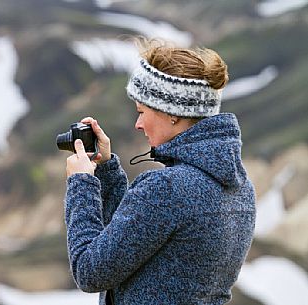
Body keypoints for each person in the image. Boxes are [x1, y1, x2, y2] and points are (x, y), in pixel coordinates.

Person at [63, 38, 256, 305]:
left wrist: (82, 183)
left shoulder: (166, 188)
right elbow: (133, 241)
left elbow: (90, 272)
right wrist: (105, 170)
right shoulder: (241, 188)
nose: (138, 124)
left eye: (142, 112)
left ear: (172, 113)